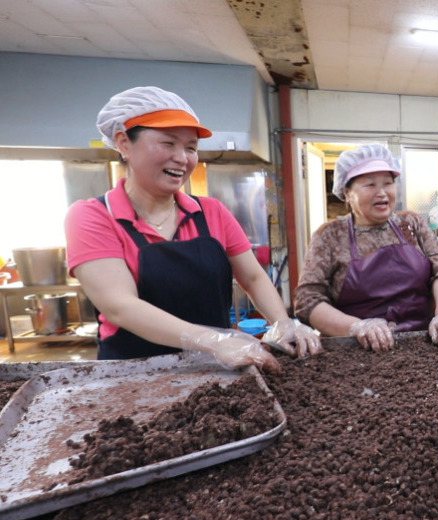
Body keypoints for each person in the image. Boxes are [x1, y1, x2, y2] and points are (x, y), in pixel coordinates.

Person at [65, 86, 321, 370]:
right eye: (168, 143)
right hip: (134, 376)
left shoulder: (211, 212)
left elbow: (253, 277)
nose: (182, 158)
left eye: (191, 148)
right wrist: (214, 341)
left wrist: (283, 322)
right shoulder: (92, 216)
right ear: (124, 142)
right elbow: (120, 306)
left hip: (217, 369)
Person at [294, 144, 438, 352]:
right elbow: (307, 300)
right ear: (347, 192)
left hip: (423, 343)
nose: (382, 193)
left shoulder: (411, 224)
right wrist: (356, 327)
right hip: (357, 350)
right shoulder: (330, 236)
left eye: (388, 183)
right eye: (370, 185)